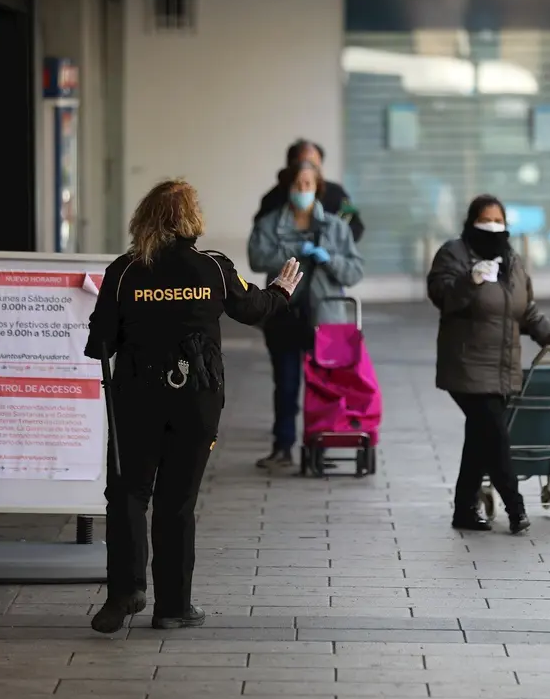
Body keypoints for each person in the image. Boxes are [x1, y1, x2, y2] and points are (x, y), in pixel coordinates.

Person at [84, 180, 304, 634]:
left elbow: (99, 342)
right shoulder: (213, 268)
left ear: (145, 217)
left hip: (136, 399)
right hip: (197, 399)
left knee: (127, 495)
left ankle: (125, 592)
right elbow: (253, 307)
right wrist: (281, 292)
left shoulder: (124, 270)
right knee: (176, 502)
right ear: (190, 218)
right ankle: (172, 607)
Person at [427, 195, 550, 534]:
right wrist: (468, 282)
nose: (493, 227)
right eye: (485, 220)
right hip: (466, 364)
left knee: (480, 436)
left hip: (502, 367)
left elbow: (525, 308)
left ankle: (464, 509)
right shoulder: (454, 254)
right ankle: (515, 507)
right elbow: (441, 295)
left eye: (498, 221)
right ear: (471, 222)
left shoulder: (511, 261)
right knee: (496, 435)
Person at [248, 160, 365, 469]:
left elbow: (355, 271)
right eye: (298, 185)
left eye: (308, 185)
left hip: (326, 318)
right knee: (286, 384)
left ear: (318, 189)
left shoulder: (335, 227)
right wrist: (292, 254)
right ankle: (283, 446)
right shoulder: (271, 223)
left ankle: (320, 446)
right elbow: (256, 257)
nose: (303, 190)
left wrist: (329, 260)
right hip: (284, 314)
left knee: (324, 387)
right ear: (288, 188)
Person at [255, 139, 366, 243]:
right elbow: (260, 240)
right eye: (305, 165)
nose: (310, 171)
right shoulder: (272, 199)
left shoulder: (336, 194)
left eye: (315, 166)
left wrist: (331, 247)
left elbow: (356, 226)